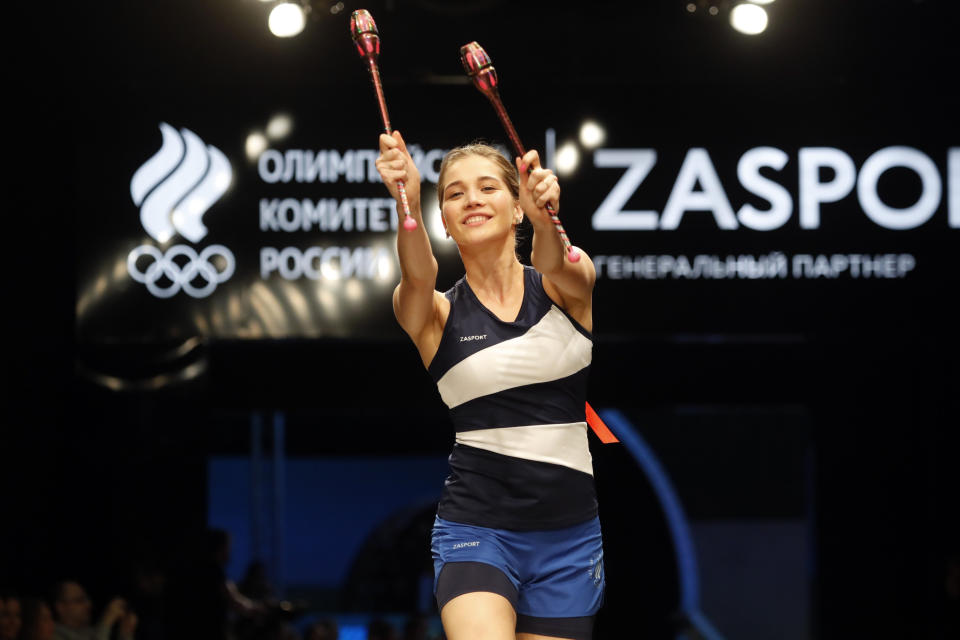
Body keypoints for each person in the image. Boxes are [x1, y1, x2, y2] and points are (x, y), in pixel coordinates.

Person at [376, 131, 604, 640]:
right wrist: (405, 201)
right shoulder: (433, 313)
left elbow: (552, 260)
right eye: (455, 194)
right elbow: (418, 275)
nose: (472, 199)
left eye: (487, 188)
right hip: (476, 529)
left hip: (569, 538)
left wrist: (549, 216)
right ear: (444, 221)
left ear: (519, 207)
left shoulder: (566, 284)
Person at [51, 580, 136, 640]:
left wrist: (125, 634)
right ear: (60, 607)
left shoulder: (91, 632)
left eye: (87, 599)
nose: (88, 605)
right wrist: (106, 623)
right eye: (79, 600)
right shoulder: (51, 635)